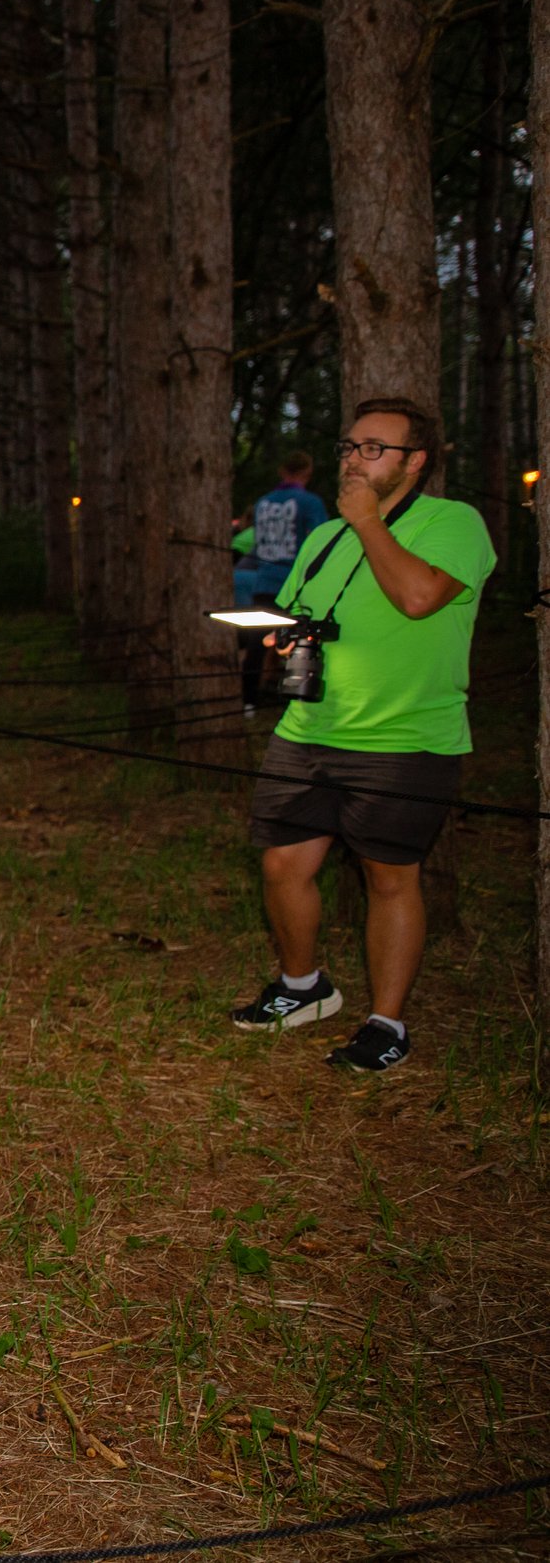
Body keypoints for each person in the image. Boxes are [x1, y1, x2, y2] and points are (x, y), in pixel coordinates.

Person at [233, 398, 495, 1073]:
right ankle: (303, 987)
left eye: (374, 448)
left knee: (389, 876)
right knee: (282, 865)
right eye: (350, 446)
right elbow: (301, 612)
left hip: (403, 737)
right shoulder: (324, 536)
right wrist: (282, 635)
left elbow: (418, 597)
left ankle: (387, 1023)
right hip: (309, 728)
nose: (354, 458)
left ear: (416, 461)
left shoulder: (453, 523)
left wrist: (370, 522)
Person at [234, 452, 328, 707]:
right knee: (301, 640)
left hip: (264, 581)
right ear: (307, 472)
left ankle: (249, 701)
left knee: (257, 643)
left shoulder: (263, 503)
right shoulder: (309, 502)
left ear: (281, 471)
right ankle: (295, 698)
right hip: (295, 583)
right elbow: (322, 539)